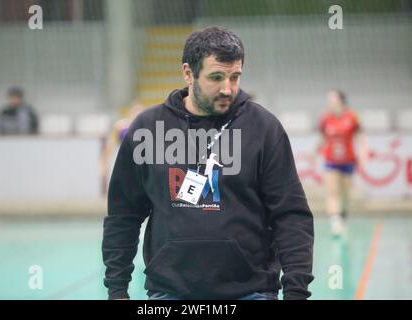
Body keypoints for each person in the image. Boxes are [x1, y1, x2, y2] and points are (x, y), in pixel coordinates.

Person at [102, 27, 314, 300]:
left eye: (235, 77)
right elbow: (124, 215)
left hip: (252, 292)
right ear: (188, 74)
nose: (228, 88)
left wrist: (296, 292)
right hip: (170, 293)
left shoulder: (264, 128)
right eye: (216, 77)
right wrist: (117, 290)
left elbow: (291, 216)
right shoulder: (147, 130)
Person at [316, 90, 368, 236]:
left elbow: (361, 136)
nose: (330, 103)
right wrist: (314, 153)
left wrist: (364, 154)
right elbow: (321, 138)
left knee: (345, 195)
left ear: (341, 101)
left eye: (332, 99)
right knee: (333, 192)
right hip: (330, 161)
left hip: (348, 161)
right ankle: (335, 223)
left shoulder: (352, 117)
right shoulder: (326, 118)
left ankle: (342, 217)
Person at [99, 101, 146, 187]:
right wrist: (103, 163)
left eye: (141, 112)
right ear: (130, 113)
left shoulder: (148, 128)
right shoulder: (121, 126)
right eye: (136, 112)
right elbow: (110, 145)